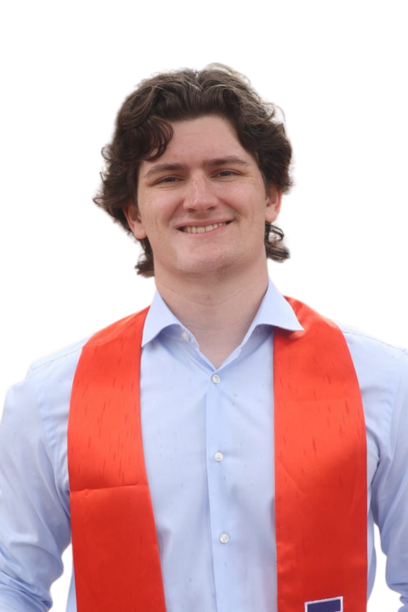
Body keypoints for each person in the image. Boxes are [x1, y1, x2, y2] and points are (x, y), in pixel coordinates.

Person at [0, 65, 407, 612]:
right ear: (133, 214)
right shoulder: (52, 397)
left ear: (271, 196)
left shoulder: (382, 383)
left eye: (224, 171)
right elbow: (12, 583)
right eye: (168, 178)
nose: (199, 198)